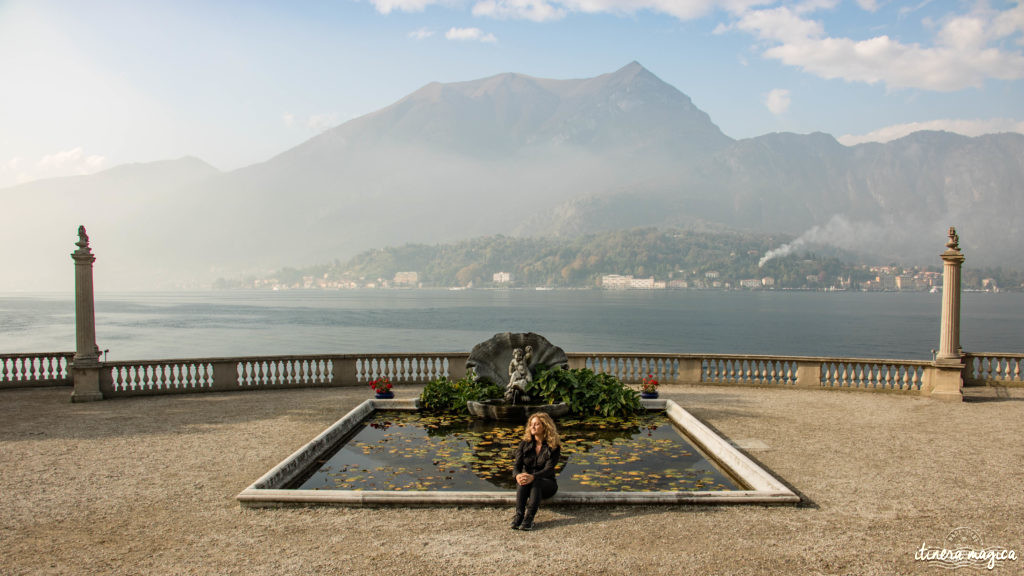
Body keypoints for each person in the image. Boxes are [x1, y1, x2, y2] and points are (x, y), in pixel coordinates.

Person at [511, 412, 561, 531]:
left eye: (536, 424)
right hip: (528, 483)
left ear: (545, 426)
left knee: (535, 481)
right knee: (522, 480)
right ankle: (519, 516)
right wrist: (517, 475)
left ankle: (529, 519)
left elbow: (549, 469)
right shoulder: (524, 444)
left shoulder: (554, 446)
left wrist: (533, 477)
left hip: (547, 484)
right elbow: (516, 467)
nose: (532, 427)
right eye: (531, 424)